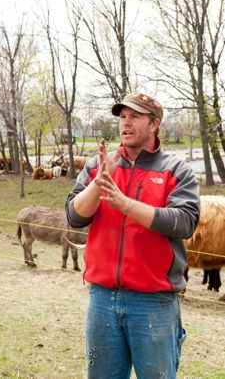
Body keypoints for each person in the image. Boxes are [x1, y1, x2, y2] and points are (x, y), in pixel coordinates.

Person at [65, 92, 200, 379]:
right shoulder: (98, 165)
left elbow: (185, 222)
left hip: (154, 302)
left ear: (154, 124)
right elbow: (74, 216)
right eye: (122, 117)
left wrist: (125, 204)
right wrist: (99, 182)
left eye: (135, 116)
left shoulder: (176, 170)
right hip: (102, 298)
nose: (126, 123)